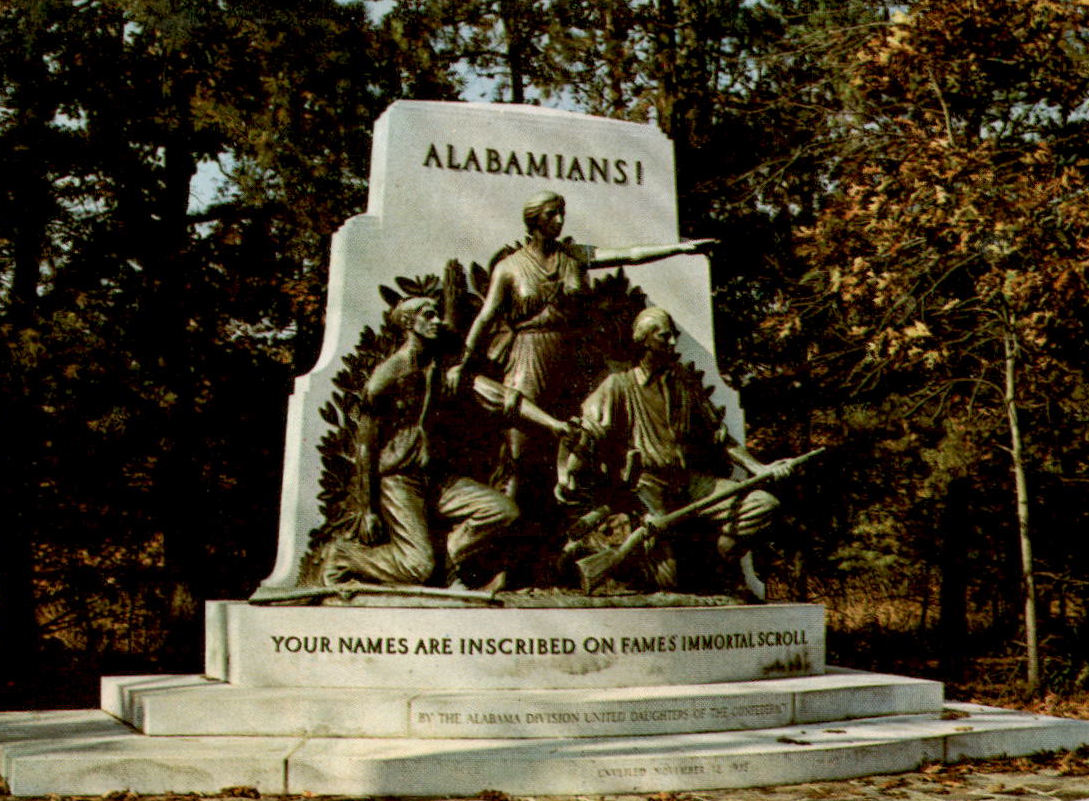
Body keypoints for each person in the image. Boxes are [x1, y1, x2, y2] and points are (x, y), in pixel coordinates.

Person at [454, 191, 712, 504]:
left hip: (573, 355)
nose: (559, 220)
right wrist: (464, 361)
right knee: (520, 440)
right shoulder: (509, 268)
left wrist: (679, 249)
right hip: (529, 353)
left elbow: (630, 254)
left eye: (562, 213)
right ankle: (510, 506)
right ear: (534, 220)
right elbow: (486, 317)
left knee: (587, 427)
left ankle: (588, 501)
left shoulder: (574, 256)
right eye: (551, 214)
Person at [319, 297, 580, 590]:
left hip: (437, 480)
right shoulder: (387, 376)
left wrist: (554, 425)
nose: (438, 321)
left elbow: (504, 398)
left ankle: (445, 566)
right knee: (418, 568)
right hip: (400, 480)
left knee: (502, 511)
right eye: (429, 315)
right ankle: (343, 557)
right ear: (408, 323)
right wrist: (368, 509)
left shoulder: (443, 371)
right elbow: (365, 446)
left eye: (438, 315)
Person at [558, 307, 785, 594]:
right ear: (643, 340)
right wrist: (567, 473)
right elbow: (585, 433)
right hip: (647, 488)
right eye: (664, 336)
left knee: (762, 504)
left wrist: (759, 468)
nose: (673, 343)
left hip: (690, 483)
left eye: (673, 335)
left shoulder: (684, 384)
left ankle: (722, 566)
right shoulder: (619, 386)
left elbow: (720, 437)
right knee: (667, 582)